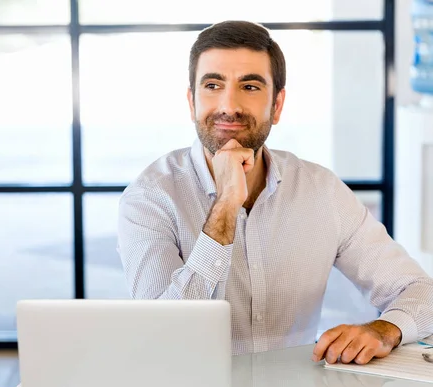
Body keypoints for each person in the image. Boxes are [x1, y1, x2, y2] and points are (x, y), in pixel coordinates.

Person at [116, 20, 433, 365]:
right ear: (192, 102)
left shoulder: (321, 191)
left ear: (277, 105)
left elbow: (420, 292)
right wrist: (226, 204)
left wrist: (384, 329)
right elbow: (164, 335)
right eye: (212, 85)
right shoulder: (150, 197)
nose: (229, 105)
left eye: (250, 86)